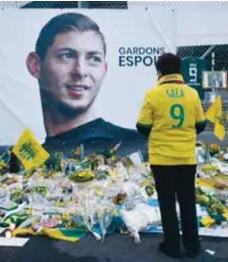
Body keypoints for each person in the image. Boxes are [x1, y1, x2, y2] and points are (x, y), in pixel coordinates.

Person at [25, 12, 147, 160]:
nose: (80, 71)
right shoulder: (29, 158)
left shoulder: (136, 146)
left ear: (104, 69)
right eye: (67, 55)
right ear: (35, 65)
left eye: (93, 59)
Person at [136, 53, 206, 258]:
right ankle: (192, 246)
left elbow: (142, 126)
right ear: (179, 69)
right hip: (186, 158)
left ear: (159, 71)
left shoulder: (153, 94)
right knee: (187, 202)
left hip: (162, 159)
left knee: (167, 203)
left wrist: (160, 132)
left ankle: (172, 245)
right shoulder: (191, 94)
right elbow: (200, 124)